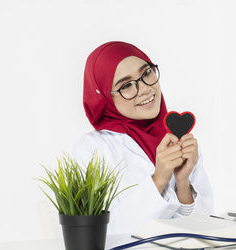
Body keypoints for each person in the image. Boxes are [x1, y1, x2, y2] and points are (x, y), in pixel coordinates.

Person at [72, 41, 214, 235]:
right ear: (105, 97)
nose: (145, 89)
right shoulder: (93, 149)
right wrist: (160, 178)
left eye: (146, 73)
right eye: (127, 85)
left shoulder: (177, 140)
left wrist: (182, 183)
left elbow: (204, 228)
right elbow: (104, 234)